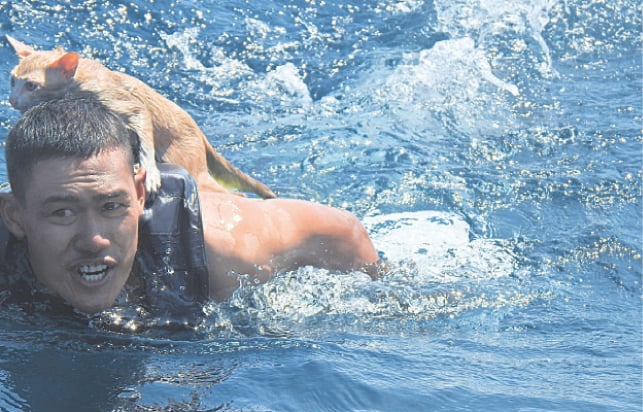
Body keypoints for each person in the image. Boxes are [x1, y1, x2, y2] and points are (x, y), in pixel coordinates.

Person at [0, 97, 379, 315]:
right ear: (16, 216)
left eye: (112, 206)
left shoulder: (219, 249)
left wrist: (380, 291)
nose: (93, 239)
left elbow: (342, 231)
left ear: (140, 193)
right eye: (62, 212)